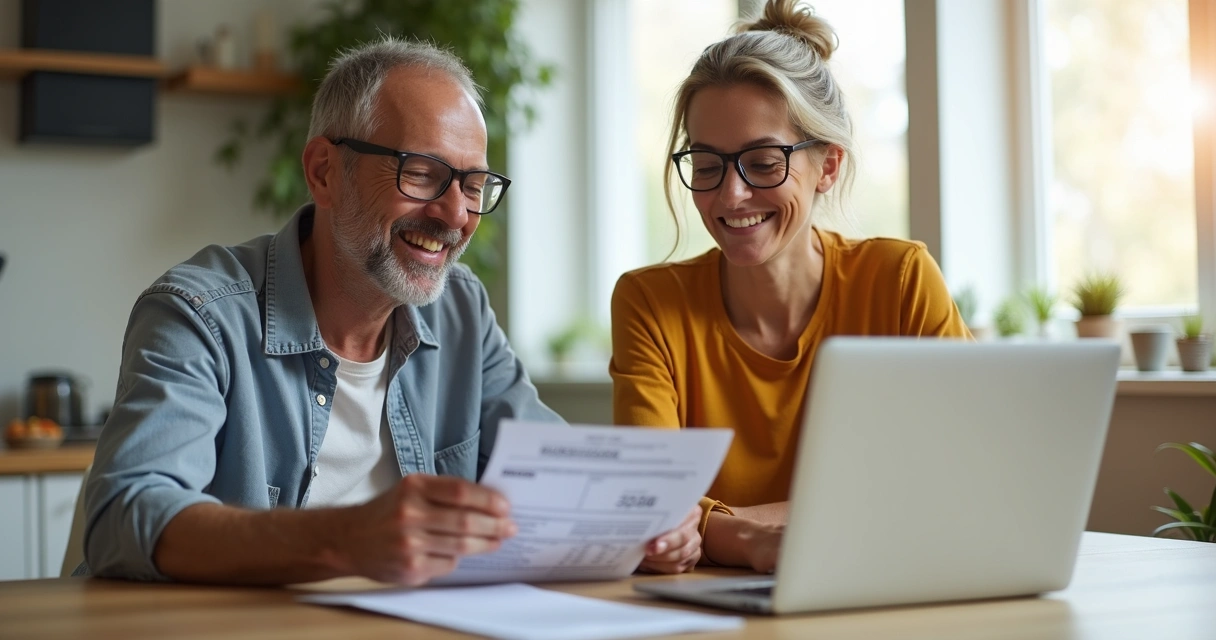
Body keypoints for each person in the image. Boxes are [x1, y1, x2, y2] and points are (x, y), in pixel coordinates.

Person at [82, 37, 700, 585]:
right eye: (423, 173)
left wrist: (644, 525)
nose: (457, 215)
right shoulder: (200, 313)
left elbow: (555, 476)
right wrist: (343, 538)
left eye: (474, 185)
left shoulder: (460, 310)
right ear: (324, 172)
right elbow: (125, 516)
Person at [610, 0, 971, 573]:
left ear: (827, 166)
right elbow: (651, 508)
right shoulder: (652, 304)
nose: (730, 196)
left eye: (762, 162)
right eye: (706, 166)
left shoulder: (900, 281)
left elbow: (960, 478)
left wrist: (727, 527)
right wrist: (761, 542)